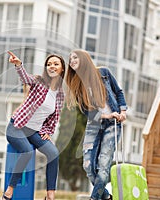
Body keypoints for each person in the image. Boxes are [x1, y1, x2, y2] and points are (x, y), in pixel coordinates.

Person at [65, 49, 127, 200]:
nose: (72, 60)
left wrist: (123, 111)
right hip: (94, 125)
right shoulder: (77, 85)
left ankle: (95, 198)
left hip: (113, 124)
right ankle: (105, 197)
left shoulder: (104, 72)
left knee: (104, 164)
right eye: (70, 58)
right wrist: (106, 115)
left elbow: (118, 92)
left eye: (75, 57)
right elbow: (87, 112)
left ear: (84, 58)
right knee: (88, 166)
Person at [3, 51, 66, 200]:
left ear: (62, 69)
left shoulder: (60, 94)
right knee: (27, 152)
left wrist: (48, 131)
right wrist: (18, 65)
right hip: (17, 128)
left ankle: (50, 195)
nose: (52, 66)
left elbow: (54, 117)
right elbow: (26, 78)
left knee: (53, 153)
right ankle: (9, 190)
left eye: (56, 64)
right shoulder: (38, 81)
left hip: (35, 132)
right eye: (49, 64)